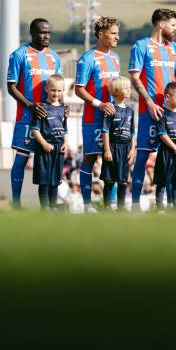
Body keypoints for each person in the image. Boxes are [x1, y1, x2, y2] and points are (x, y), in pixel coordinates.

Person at [129, 9, 176, 209]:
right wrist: (150, 102)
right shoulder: (141, 46)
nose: (175, 28)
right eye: (173, 24)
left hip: (172, 114)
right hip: (149, 112)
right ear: (161, 24)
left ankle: (171, 206)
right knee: (142, 157)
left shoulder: (174, 48)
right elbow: (134, 78)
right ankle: (135, 204)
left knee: (171, 159)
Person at [6, 18, 62, 208]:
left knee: (49, 162)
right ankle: (15, 203)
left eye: (49, 32)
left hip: (50, 121)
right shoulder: (19, 55)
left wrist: (62, 107)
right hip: (27, 117)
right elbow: (11, 86)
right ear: (32, 33)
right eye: (41, 32)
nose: (46, 36)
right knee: (21, 159)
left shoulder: (54, 57)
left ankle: (48, 207)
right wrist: (30, 105)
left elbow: (59, 85)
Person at [74, 17, 121, 213]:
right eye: (113, 33)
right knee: (90, 158)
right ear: (101, 34)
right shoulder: (87, 58)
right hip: (93, 118)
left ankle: (110, 204)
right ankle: (87, 205)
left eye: (118, 33)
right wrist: (98, 104)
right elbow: (79, 89)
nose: (117, 37)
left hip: (114, 120)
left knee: (113, 160)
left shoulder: (116, 58)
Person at [30, 75, 68, 212]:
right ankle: (45, 209)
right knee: (44, 181)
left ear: (63, 91)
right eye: (53, 90)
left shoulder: (64, 109)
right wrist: (44, 144)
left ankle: (53, 208)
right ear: (46, 89)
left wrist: (66, 143)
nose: (56, 93)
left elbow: (66, 129)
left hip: (59, 150)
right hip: (44, 149)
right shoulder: (41, 108)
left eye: (59, 91)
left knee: (55, 181)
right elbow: (34, 130)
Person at [101, 76, 136, 212]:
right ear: (116, 91)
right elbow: (105, 131)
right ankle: (107, 207)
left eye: (129, 87)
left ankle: (121, 208)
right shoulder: (110, 109)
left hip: (126, 148)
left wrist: (133, 149)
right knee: (109, 180)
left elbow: (133, 132)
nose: (128, 90)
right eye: (125, 88)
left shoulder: (130, 111)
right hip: (113, 147)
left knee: (123, 181)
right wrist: (107, 150)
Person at [153, 82, 176, 212]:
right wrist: (175, 147)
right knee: (162, 181)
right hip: (166, 153)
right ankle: (159, 207)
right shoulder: (162, 114)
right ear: (167, 97)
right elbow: (162, 135)